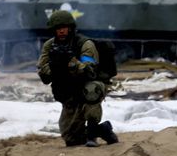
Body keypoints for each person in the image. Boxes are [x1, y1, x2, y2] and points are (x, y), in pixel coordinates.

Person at [37, 11, 119, 147]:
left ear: (70, 28)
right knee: (70, 138)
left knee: (92, 90)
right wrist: (56, 66)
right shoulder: (49, 46)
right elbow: (42, 69)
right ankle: (103, 130)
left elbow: (90, 71)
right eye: (58, 28)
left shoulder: (85, 44)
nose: (61, 31)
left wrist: (72, 62)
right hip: (68, 90)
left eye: (64, 28)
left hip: (86, 85)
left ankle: (92, 134)